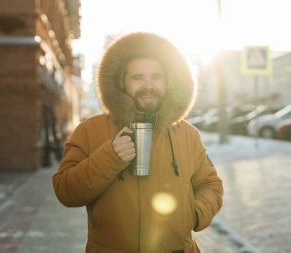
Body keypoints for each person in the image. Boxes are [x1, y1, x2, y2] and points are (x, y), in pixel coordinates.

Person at [52, 32, 223, 253]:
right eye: (137, 78)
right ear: (121, 82)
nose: (148, 85)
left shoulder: (187, 134)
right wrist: (109, 157)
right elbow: (66, 191)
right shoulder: (89, 131)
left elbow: (211, 185)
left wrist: (194, 214)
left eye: (156, 77)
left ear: (168, 81)